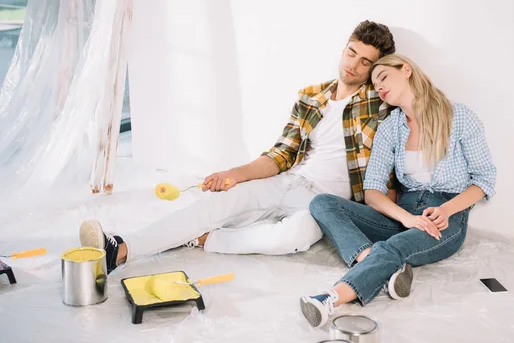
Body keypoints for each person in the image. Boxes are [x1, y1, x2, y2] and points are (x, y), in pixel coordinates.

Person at [78, 20, 397, 274]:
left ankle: (209, 239)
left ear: (375, 69)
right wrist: (234, 175)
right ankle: (119, 249)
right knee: (214, 206)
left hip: (323, 203)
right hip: (287, 181)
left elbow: (403, 124)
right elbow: (281, 155)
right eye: (352, 52)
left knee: (294, 236)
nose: (354, 64)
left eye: (366, 61)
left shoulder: (377, 104)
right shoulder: (311, 97)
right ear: (344, 49)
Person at [300, 53, 496, 328]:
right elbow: (372, 192)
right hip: (403, 213)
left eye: (383, 77)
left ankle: (330, 299)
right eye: (375, 84)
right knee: (323, 203)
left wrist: (445, 210)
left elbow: (484, 180)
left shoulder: (459, 116)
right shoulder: (391, 127)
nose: (379, 87)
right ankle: (380, 265)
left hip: (446, 216)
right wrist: (406, 219)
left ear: (406, 70)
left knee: (395, 245)